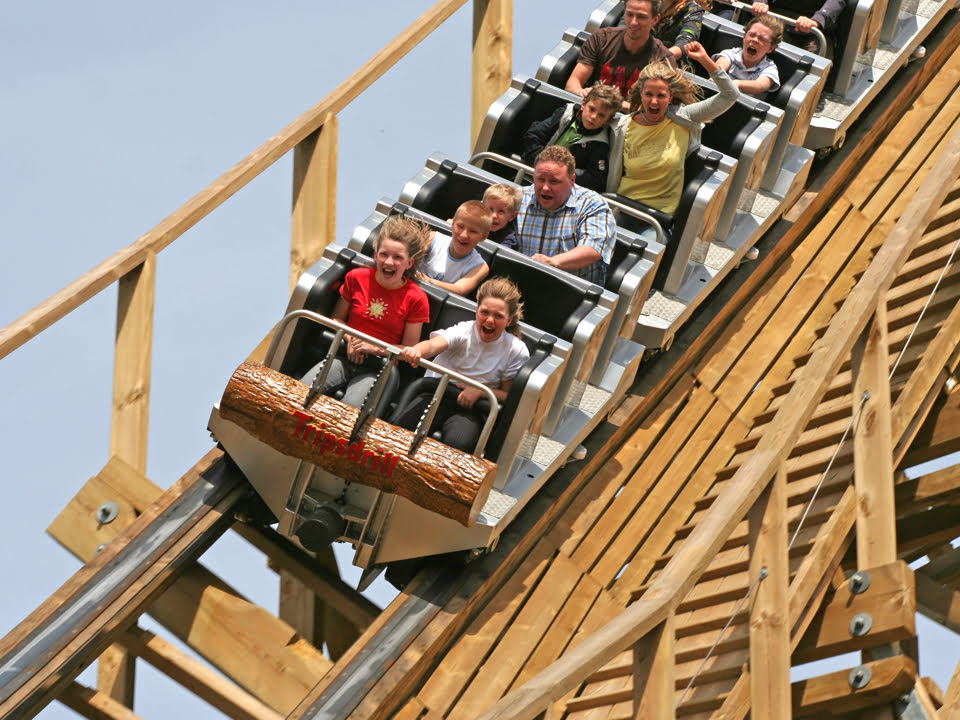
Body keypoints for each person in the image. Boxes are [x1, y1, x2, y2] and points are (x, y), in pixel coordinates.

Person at [301, 215, 430, 408]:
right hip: (344, 356)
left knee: (349, 407)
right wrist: (350, 339)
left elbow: (408, 350)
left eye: (397, 258)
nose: (389, 262)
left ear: (408, 263)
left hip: (377, 367)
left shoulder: (416, 298)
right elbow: (337, 318)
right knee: (301, 389)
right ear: (376, 255)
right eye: (384, 255)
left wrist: (375, 348)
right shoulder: (357, 278)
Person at [393, 277, 530, 452]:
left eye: (498, 316)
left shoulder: (515, 350)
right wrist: (417, 351)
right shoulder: (464, 330)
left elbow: (508, 395)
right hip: (436, 394)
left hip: (471, 409)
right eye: (485, 312)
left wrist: (480, 391)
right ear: (477, 311)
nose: (489, 321)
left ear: (509, 321)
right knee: (403, 427)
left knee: (457, 443)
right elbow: (433, 345)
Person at [608, 44, 740, 220]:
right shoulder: (623, 126)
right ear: (641, 94)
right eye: (649, 94)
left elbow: (730, 95)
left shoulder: (684, 118)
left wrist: (705, 60)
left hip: (657, 218)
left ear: (670, 97)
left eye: (661, 96)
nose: (654, 102)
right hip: (620, 206)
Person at [516, 145, 617, 286]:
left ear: (572, 180)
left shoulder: (593, 205)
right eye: (540, 179)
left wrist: (553, 262)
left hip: (570, 292)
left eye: (554, 181)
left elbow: (593, 248)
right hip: (518, 284)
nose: (545, 187)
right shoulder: (518, 198)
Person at [565, 0, 677, 108]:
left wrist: (616, 105)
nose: (633, 22)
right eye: (629, 15)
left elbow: (656, 108)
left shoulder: (663, 59)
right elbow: (572, 83)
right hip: (590, 110)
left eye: (641, 17)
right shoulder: (602, 39)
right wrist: (582, 93)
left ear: (655, 19)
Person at [521, 84, 623, 193]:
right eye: (592, 109)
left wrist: (562, 177)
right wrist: (543, 164)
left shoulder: (600, 144)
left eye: (601, 115)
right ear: (583, 104)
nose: (594, 117)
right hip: (528, 178)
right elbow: (533, 136)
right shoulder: (566, 114)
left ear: (608, 120)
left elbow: (595, 180)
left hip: (560, 193)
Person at [418, 200, 491, 296]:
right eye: (460, 226)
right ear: (453, 224)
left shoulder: (480, 267)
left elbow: (460, 289)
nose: (464, 235)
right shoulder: (432, 238)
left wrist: (428, 281)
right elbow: (408, 257)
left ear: (483, 237)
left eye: (473, 231)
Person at [713, 15, 783, 96]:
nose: (755, 40)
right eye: (752, 35)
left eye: (762, 39)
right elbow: (718, 68)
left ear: (770, 48)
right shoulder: (731, 54)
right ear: (744, 37)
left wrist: (737, 84)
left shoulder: (769, 68)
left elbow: (760, 85)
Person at [752, 0, 844, 57]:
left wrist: (817, 19)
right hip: (776, 20)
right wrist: (760, 3)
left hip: (813, 28)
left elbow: (835, 2)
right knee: (762, 39)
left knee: (816, 57)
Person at [483, 184, 523, 251]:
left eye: (501, 211)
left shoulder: (509, 240)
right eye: (490, 209)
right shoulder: (475, 226)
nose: (494, 216)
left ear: (512, 216)